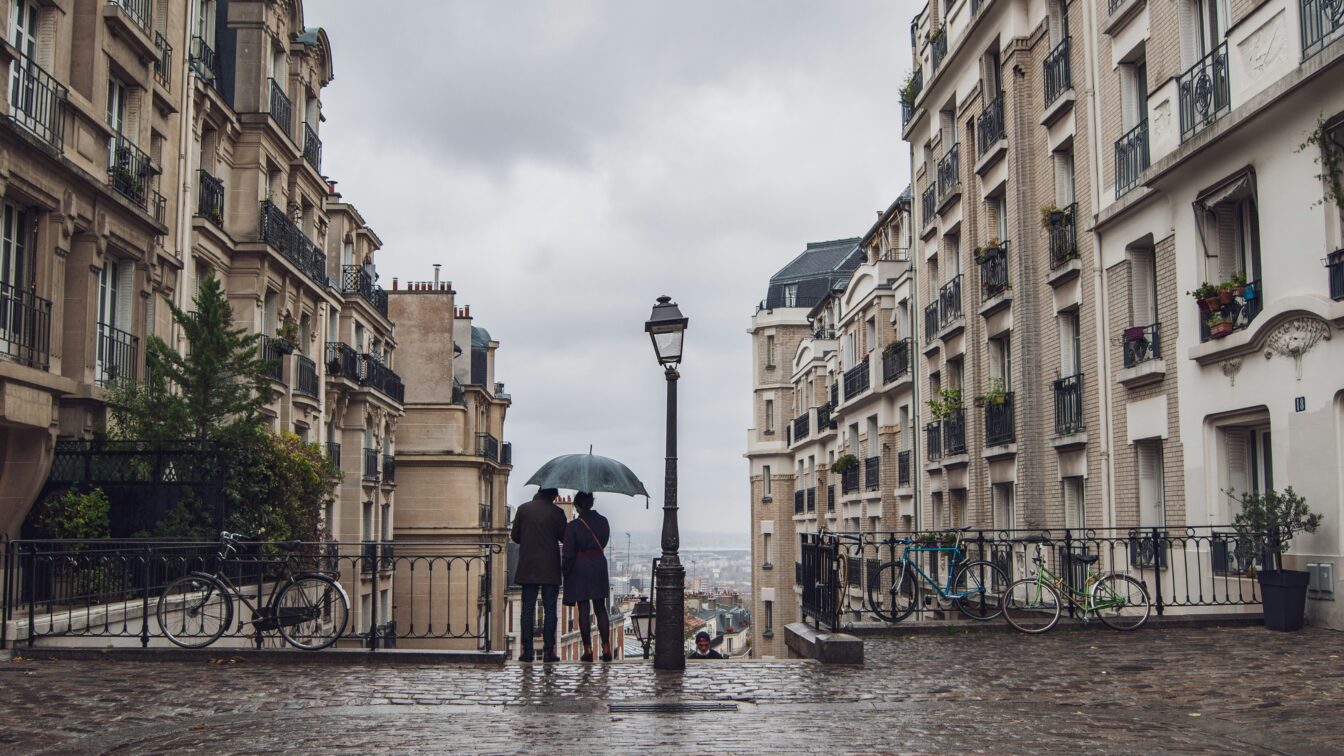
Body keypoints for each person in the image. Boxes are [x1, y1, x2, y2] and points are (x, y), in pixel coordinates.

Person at [510, 487, 566, 662]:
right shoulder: (557, 512)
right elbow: (564, 537)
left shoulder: (523, 509)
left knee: (527, 609)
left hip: (528, 565)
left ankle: (527, 652)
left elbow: (515, 536)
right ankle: (549, 651)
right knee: (550, 610)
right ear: (553, 495)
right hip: (550, 566)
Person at [561, 491, 612, 662]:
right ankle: (606, 648)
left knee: (583, 609)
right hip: (599, 564)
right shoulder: (604, 521)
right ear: (591, 503)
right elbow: (603, 541)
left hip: (580, 566)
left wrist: (566, 569)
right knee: (600, 608)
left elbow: (568, 552)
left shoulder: (574, 525)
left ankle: (588, 650)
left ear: (578, 505)